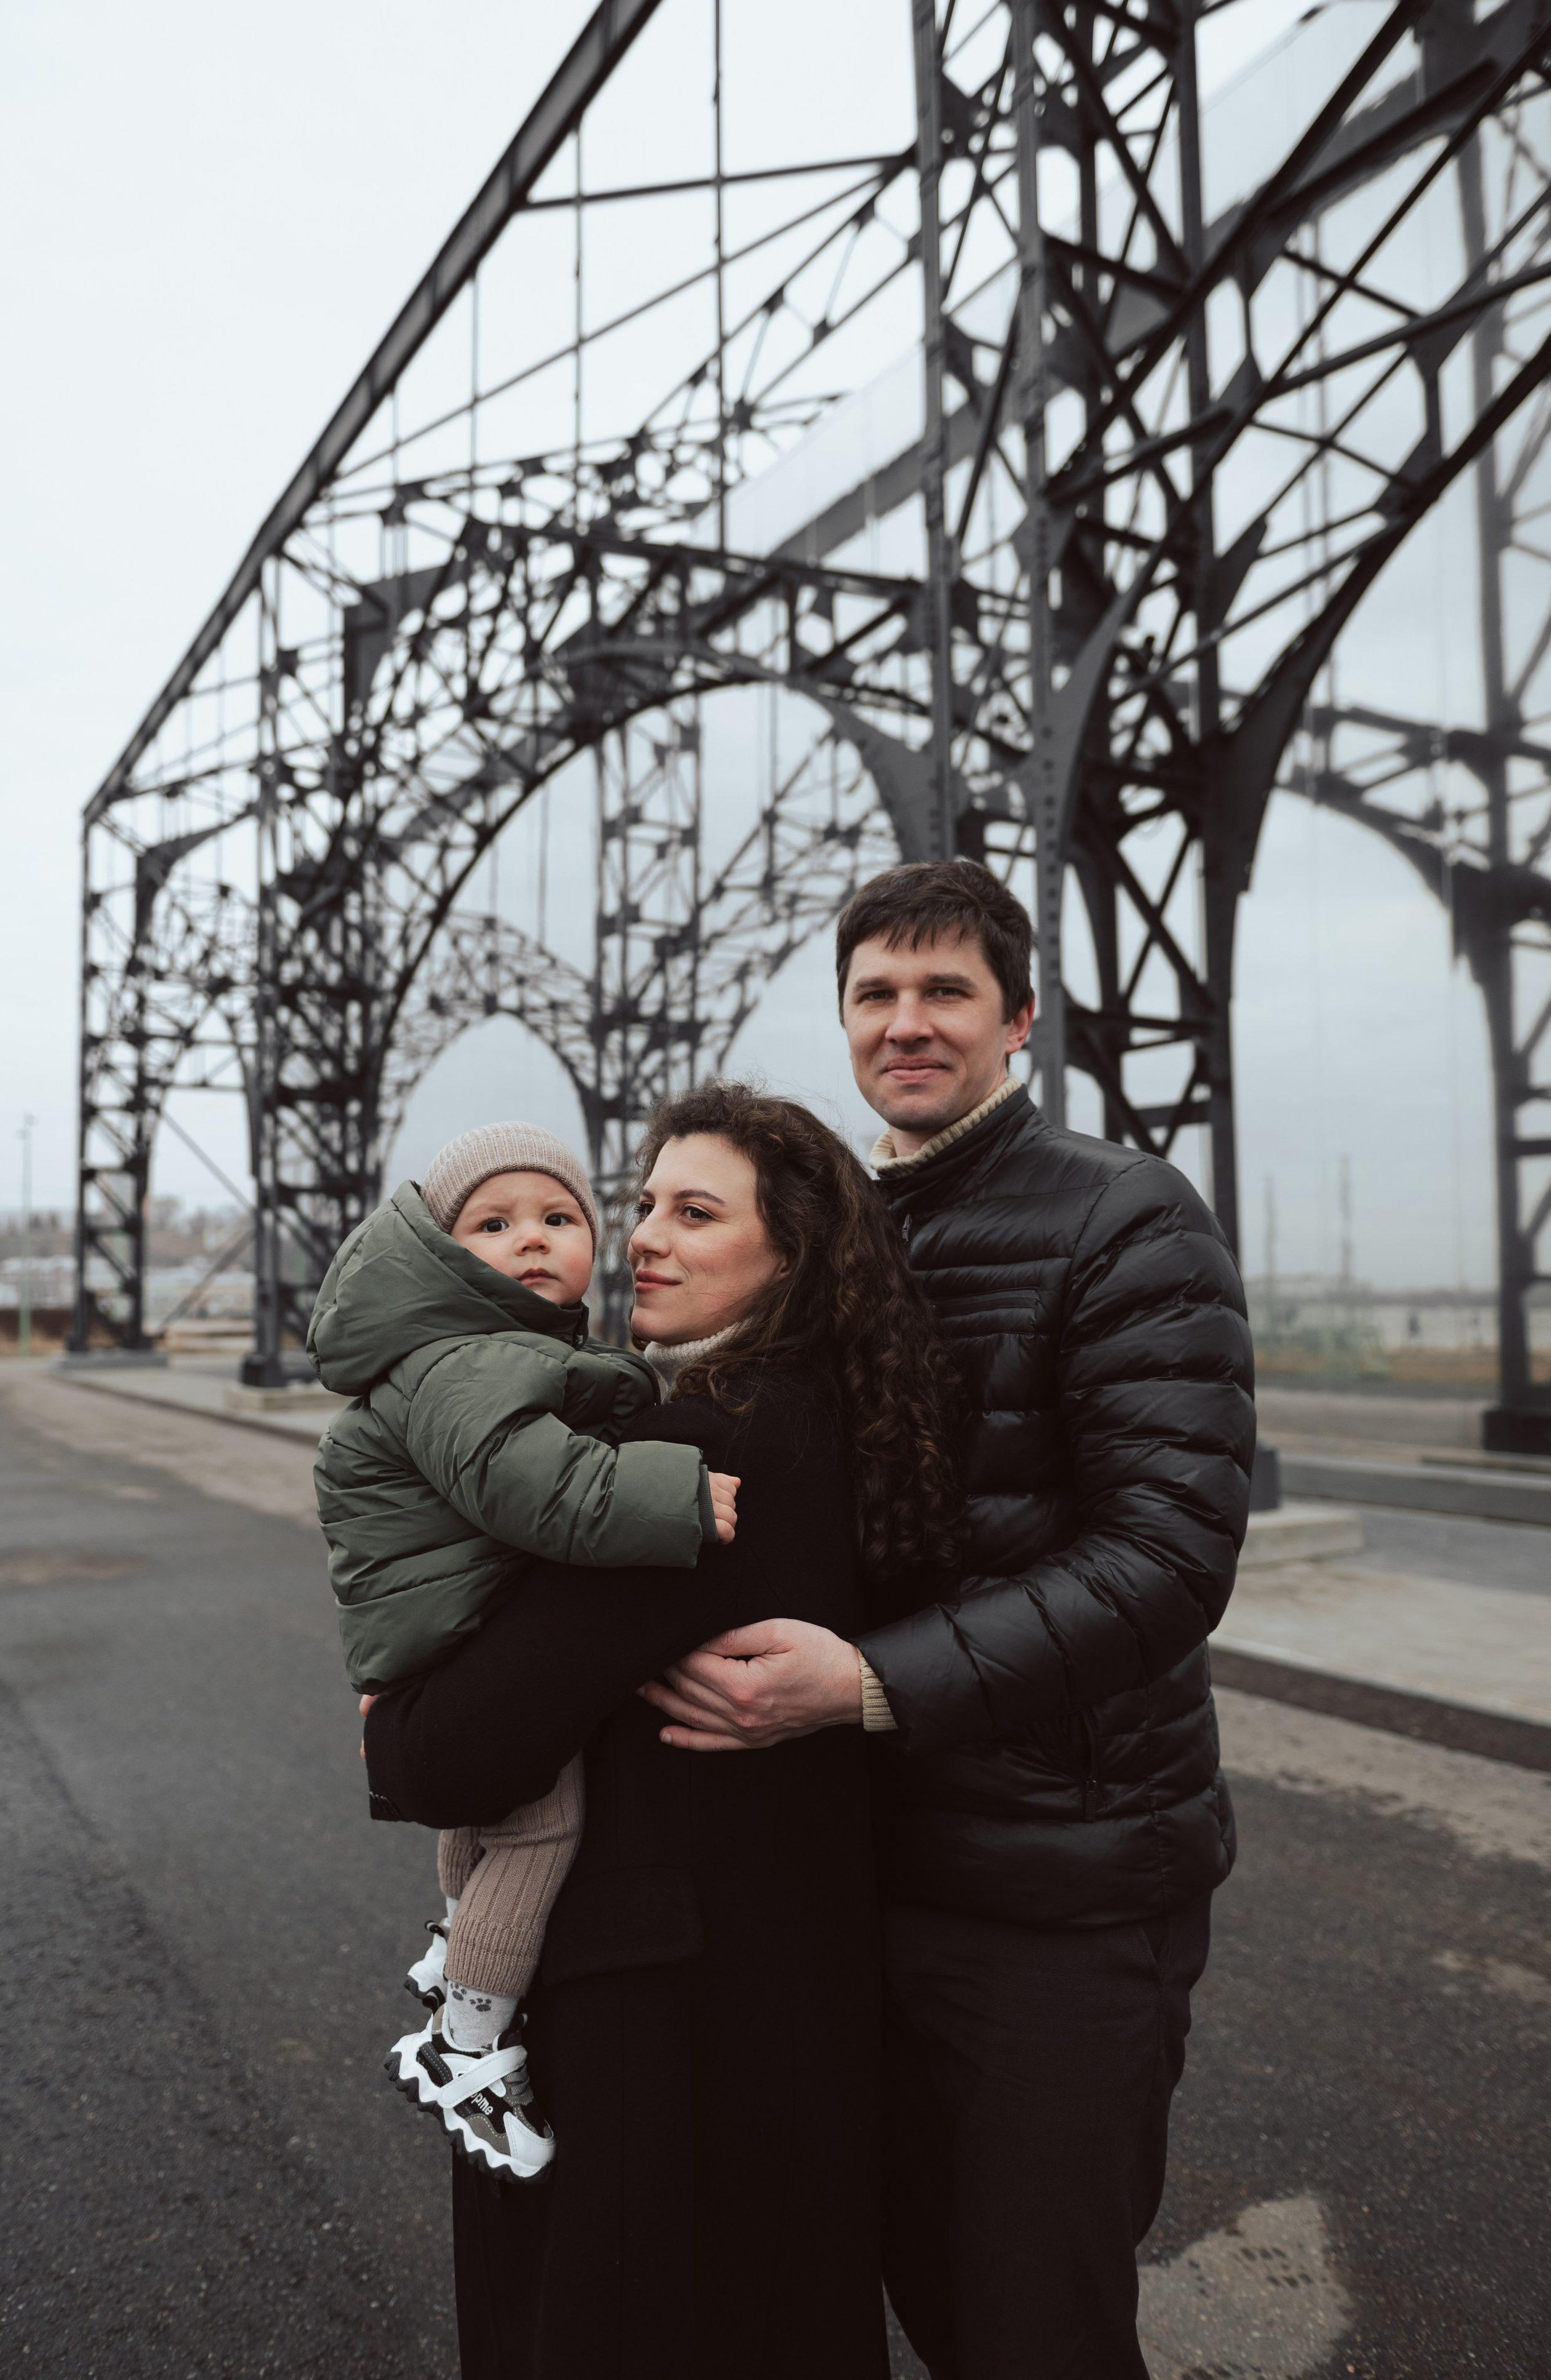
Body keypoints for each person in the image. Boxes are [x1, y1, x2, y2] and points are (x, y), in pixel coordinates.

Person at [640, 860, 1257, 2380]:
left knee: (1030, 2325)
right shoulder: (849, 1228)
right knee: (906, 2283)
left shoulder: (1122, 1216)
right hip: (871, 1872)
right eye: (874, 995)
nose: (905, 1024)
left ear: (1018, 1020)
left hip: (1058, 1888)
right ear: (844, 1020)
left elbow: (1167, 1553)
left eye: (944, 993)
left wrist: (867, 1684)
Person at [362, 1084, 963, 2380]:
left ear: (791, 1253)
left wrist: (387, 1720)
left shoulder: (705, 1449)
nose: (641, 1235)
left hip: (663, 2028)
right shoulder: (835, 1420)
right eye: (638, 1204)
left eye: (694, 1212)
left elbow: (454, 1753)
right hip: (784, 1993)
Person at [306, 1121, 738, 2181]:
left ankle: (459, 1951)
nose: (534, 1240)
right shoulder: (465, 1361)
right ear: (447, 1254)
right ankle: (468, 2045)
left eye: (560, 1219)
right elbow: (529, 1485)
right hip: (452, 1627)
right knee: (541, 1830)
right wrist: (676, 1492)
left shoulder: (480, 1345)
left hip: (437, 1627)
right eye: (494, 1225)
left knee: (491, 1815)